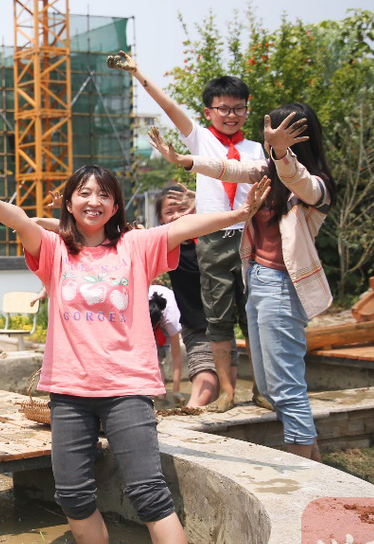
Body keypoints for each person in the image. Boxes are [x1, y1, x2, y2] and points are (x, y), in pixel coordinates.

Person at [0, 157, 267, 544]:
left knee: (148, 492)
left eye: (103, 195)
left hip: (128, 388)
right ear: (69, 203)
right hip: (69, 390)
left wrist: (240, 213)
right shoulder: (54, 250)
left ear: (116, 206)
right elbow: (20, 222)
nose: (94, 201)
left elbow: (185, 227)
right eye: (84, 193)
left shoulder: (135, 246)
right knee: (72, 493)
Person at [149, 103, 334, 461]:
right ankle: (313, 461)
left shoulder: (316, 185)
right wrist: (183, 160)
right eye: (269, 132)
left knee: (286, 387)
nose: (269, 138)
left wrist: (279, 151)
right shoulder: (267, 174)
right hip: (258, 282)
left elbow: (296, 178)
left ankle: (305, 472)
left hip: (284, 286)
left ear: (300, 138)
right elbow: (227, 168)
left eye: (278, 133)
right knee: (270, 385)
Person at [110, 51, 263, 411]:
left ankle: (262, 388)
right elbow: (169, 107)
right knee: (218, 317)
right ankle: (227, 391)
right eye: (223, 108)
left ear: (247, 110)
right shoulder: (201, 139)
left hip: (251, 237)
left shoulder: (257, 149)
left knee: (254, 316)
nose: (231, 115)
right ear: (208, 112)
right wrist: (138, 73)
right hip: (213, 239)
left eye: (238, 108)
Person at [154, 184, 222, 407]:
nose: (177, 216)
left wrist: (201, 202)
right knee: (205, 373)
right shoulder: (166, 247)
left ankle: (194, 409)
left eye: (182, 209)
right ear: (161, 219)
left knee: (220, 382)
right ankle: (191, 409)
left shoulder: (211, 240)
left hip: (223, 321)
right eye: (169, 212)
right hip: (196, 326)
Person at [147, 285, 183, 403]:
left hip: (164, 314)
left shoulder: (171, 319)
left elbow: (176, 356)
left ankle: (161, 395)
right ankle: (158, 393)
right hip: (146, 310)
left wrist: (176, 389)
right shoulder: (139, 305)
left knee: (159, 354)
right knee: (150, 355)